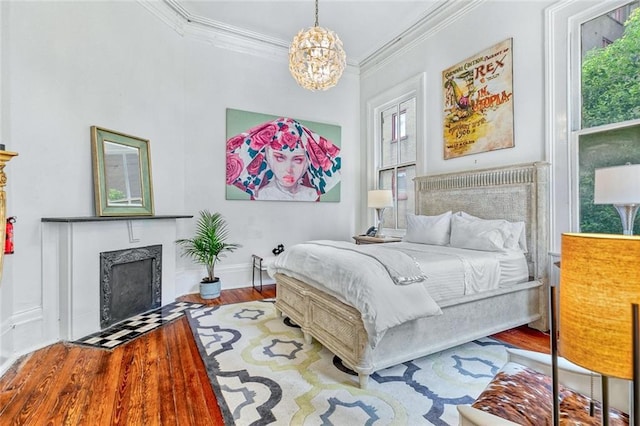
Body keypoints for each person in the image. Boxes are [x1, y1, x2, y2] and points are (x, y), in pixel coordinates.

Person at [226, 117, 341, 201]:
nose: (288, 169)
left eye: (298, 160)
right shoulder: (261, 194)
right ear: (268, 157)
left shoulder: (312, 194)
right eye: (280, 158)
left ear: (307, 161)